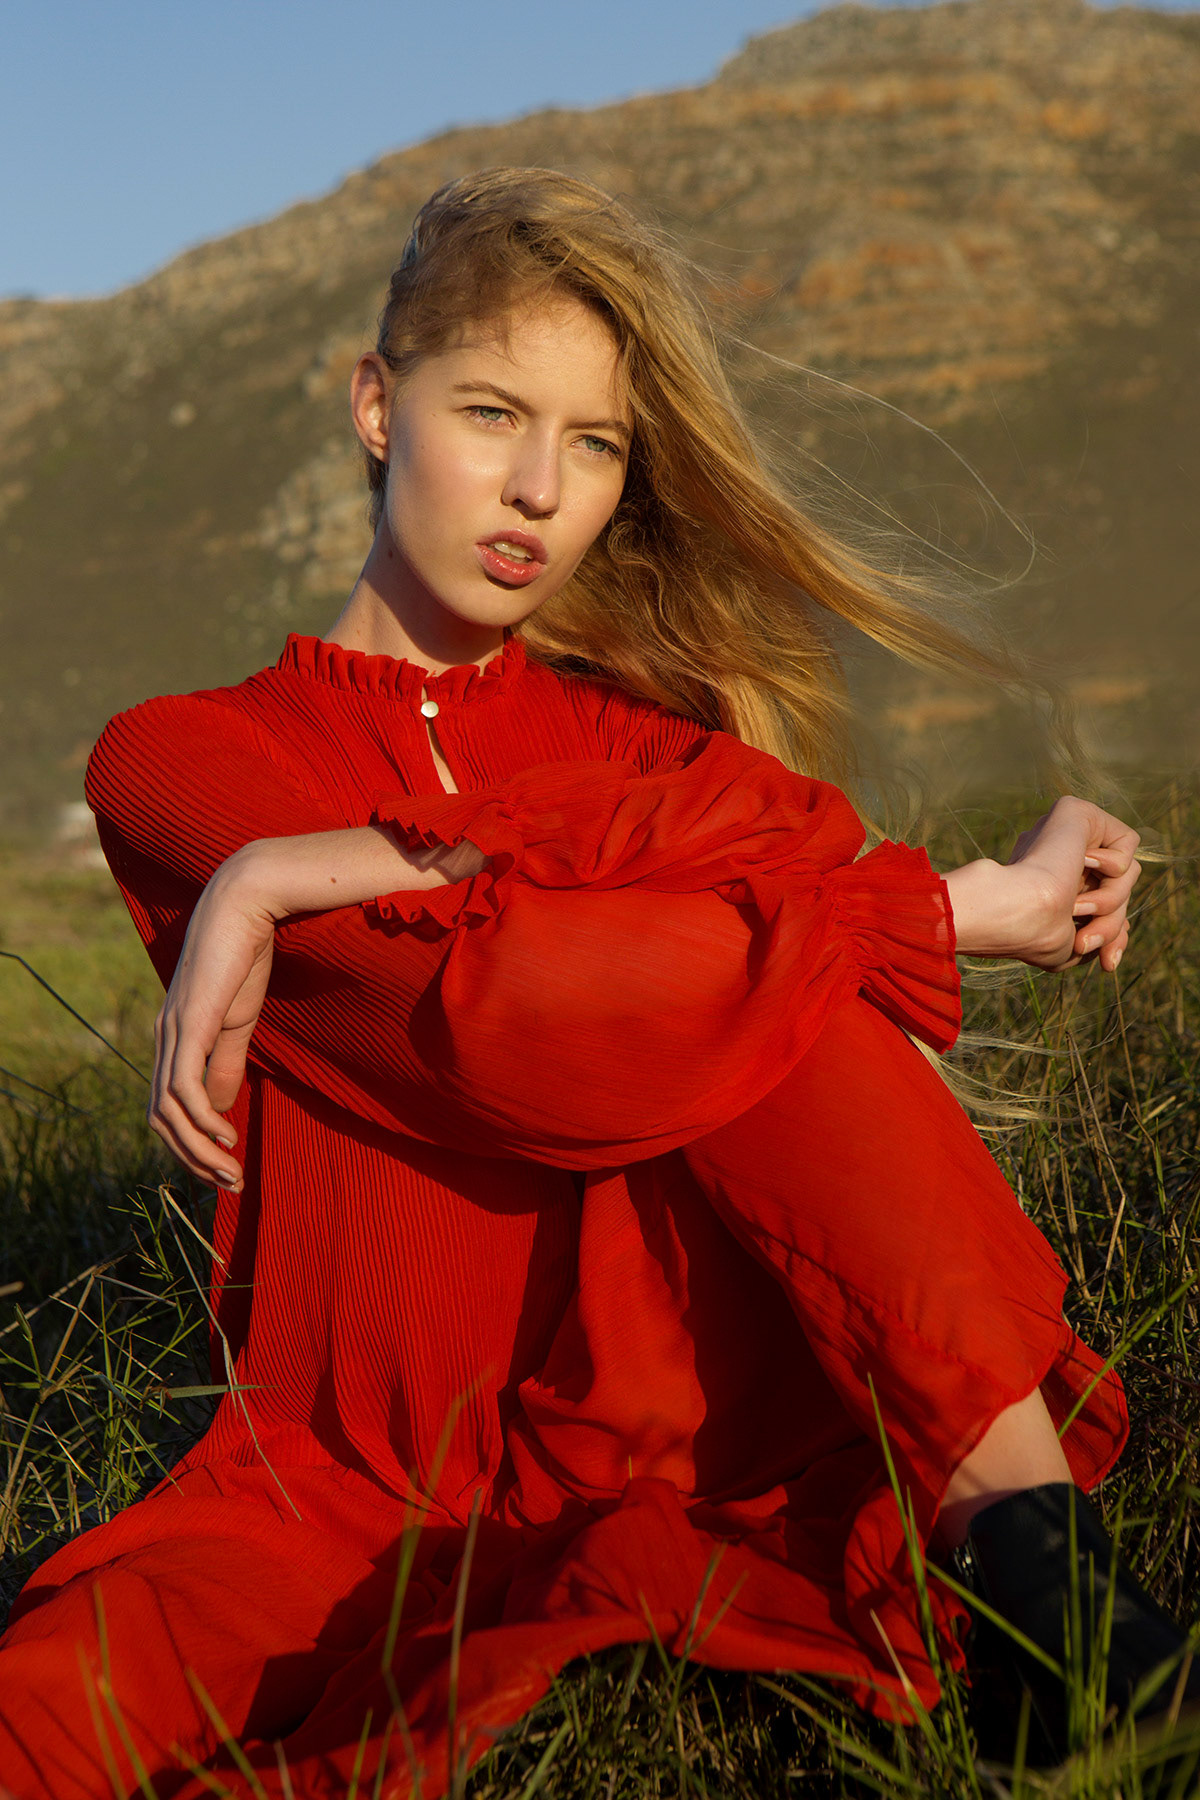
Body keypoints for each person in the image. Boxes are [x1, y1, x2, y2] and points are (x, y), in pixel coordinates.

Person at [0, 168, 1188, 1799]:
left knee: (785, 965)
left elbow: (745, 914)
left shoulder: (646, 741)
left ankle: (1061, 1606)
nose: (541, 490)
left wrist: (310, 869)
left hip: (653, 1427)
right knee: (50, 1715)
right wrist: (936, 910)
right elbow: (510, 1024)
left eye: (599, 444)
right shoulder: (184, 759)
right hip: (347, 1476)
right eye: (492, 413)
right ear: (376, 405)